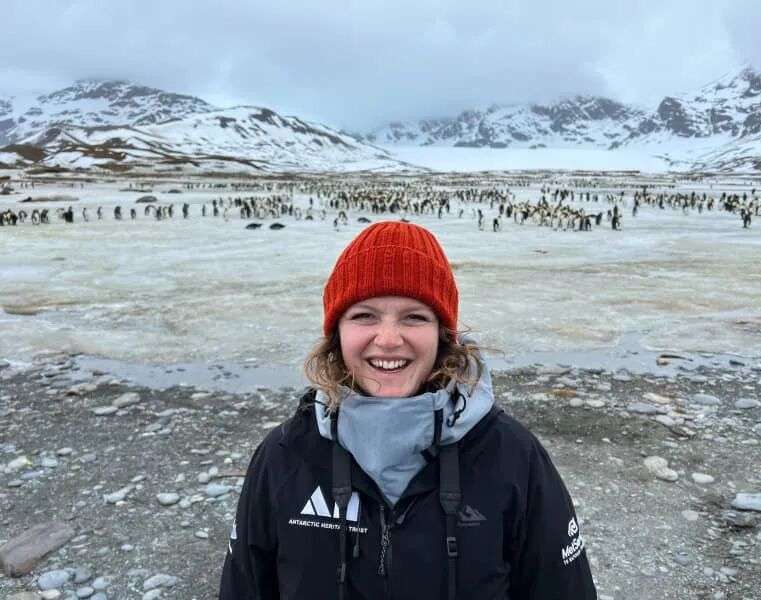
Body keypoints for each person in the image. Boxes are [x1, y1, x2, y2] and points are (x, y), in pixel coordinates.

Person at [219, 221, 597, 599]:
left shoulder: (512, 456)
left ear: (442, 334)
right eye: (364, 315)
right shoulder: (286, 456)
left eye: (414, 317)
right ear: (337, 333)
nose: (387, 339)